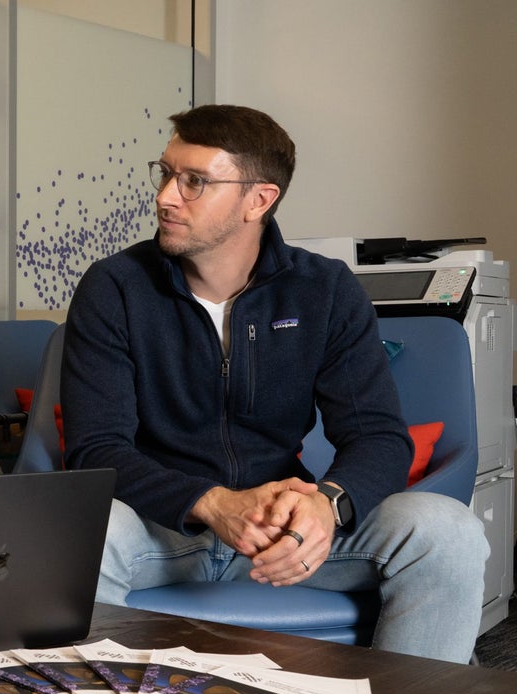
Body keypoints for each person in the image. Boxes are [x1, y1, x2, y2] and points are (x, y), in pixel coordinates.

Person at [61, 104, 486, 664]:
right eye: (165, 173)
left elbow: (378, 437)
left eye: (194, 182)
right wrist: (212, 503)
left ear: (258, 200)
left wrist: (329, 506)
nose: (166, 196)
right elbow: (97, 449)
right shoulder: (115, 287)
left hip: (284, 529)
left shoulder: (325, 289)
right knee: (84, 530)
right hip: (163, 527)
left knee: (447, 531)